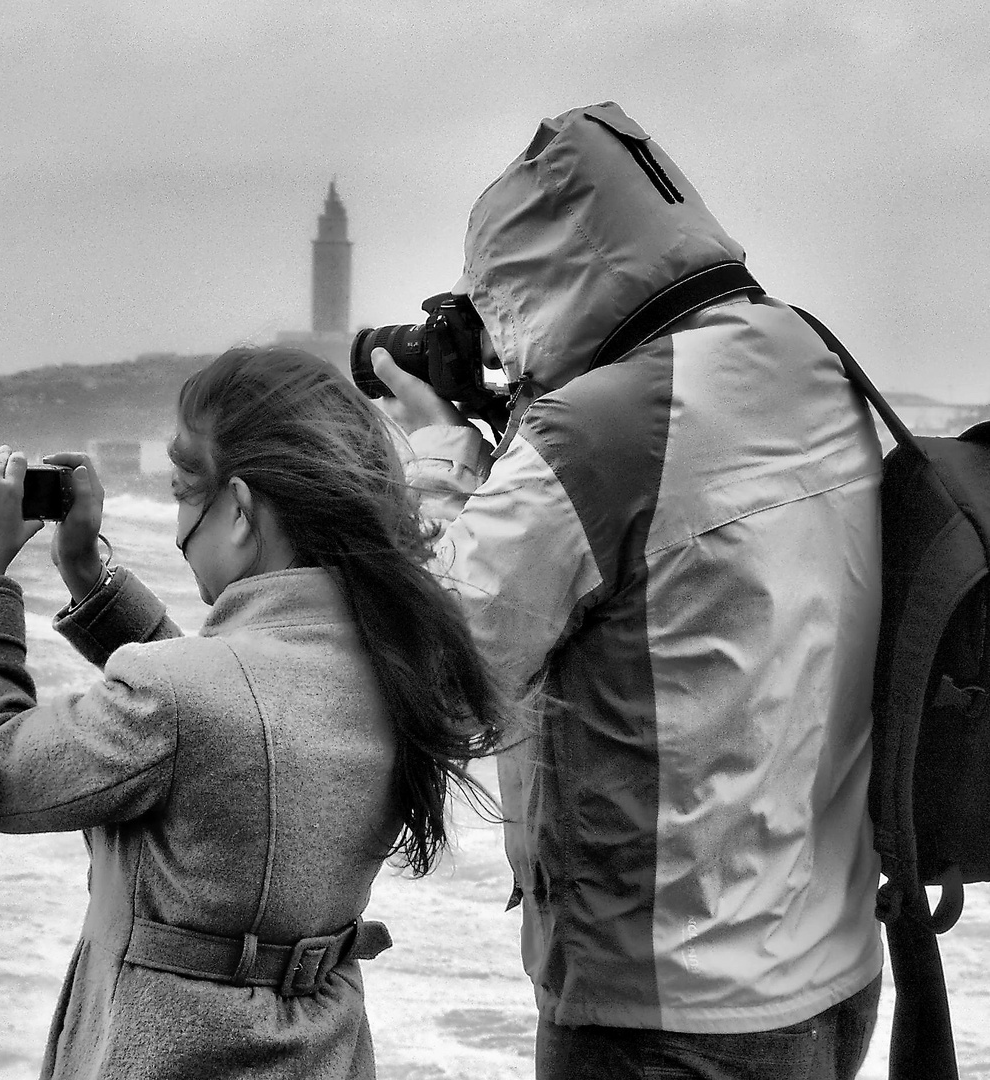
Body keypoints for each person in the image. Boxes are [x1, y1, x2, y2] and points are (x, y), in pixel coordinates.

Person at [369, 102, 885, 1078]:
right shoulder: (807, 358)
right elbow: (665, 578)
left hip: (665, 1012)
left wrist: (439, 452)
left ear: (541, 279)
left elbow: (439, 668)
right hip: (831, 966)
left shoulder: (597, 434)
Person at [0, 346, 510, 1079]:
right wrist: (88, 577)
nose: (178, 523)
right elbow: (237, 712)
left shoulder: (179, 699)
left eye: (181, 491)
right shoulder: (398, 663)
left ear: (238, 511)